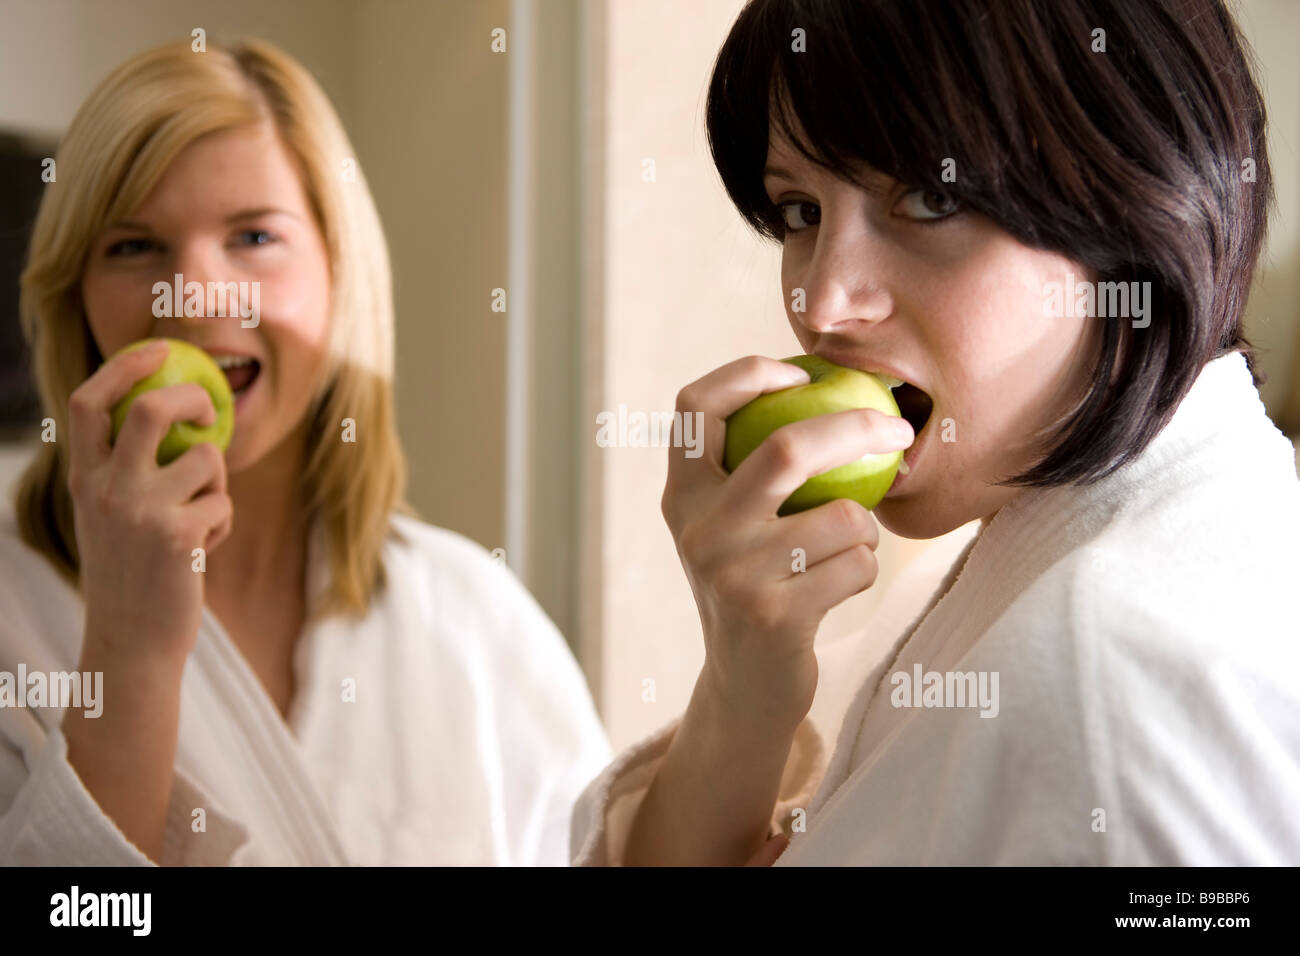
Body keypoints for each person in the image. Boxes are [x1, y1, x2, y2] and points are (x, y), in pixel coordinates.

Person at [571, 0, 1300, 865]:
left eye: (930, 196)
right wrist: (744, 676)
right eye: (800, 211)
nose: (823, 302)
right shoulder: (1012, 569)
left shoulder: (1112, 671)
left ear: (1135, 198)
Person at [0, 38, 610, 866]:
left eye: (253, 237)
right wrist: (131, 650)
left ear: (338, 273)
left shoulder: (473, 618)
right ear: (76, 299)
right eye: (133, 247)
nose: (195, 293)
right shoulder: (13, 618)